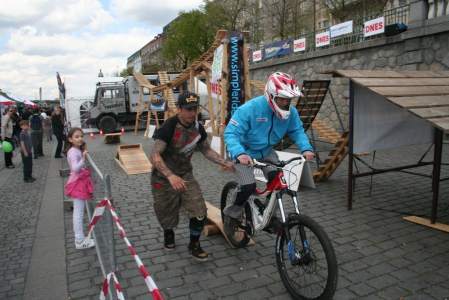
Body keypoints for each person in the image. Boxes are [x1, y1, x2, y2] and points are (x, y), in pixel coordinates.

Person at [222, 72, 315, 236]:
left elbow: (297, 130)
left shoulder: (290, 112)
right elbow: (231, 133)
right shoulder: (250, 109)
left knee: (277, 180)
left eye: (288, 99)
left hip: (266, 151)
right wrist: (240, 154)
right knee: (248, 186)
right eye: (281, 98)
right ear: (271, 95)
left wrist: (306, 148)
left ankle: (269, 214)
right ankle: (231, 215)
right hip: (244, 152)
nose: (285, 103)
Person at [150, 91, 235, 262]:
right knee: (166, 214)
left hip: (186, 175)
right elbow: (154, 155)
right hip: (164, 178)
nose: (192, 113)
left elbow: (206, 150)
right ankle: (168, 233)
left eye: (194, 109)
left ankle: (194, 245)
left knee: (199, 210)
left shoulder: (197, 127)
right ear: (179, 108)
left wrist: (225, 162)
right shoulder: (168, 127)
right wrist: (170, 176)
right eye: (188, 109)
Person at [64, 127, 95, 250]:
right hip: (77, 183)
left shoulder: (76, 150)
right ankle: (79, 240)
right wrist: (83, 159)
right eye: (77, 137)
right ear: (70, 139)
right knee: (78, 212)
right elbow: (75, 169)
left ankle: (80, 239)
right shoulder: (73, 152)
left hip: (80, 182)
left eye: (81, 136)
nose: (80, 138)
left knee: (79, 211)